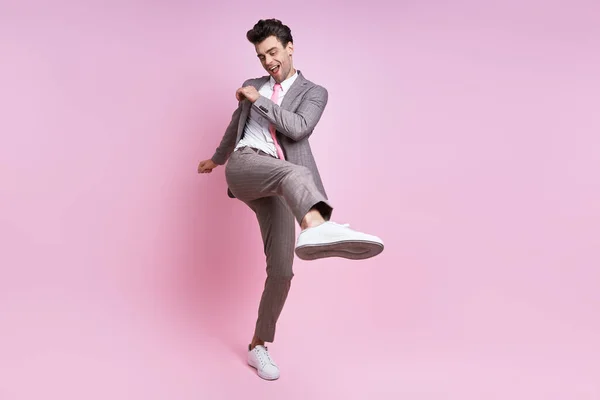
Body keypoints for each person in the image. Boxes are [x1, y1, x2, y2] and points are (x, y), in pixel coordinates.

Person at [197, 18, 384, 380]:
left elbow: (298, 128)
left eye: (272, 52)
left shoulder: (314, 92)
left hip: (281, 182)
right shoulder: (252, 86)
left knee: (282, 271)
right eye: (260, 55)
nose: (267, 62)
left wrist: (260, 100)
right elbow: (235, 126)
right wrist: (217, 159)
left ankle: (257, 346)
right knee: (297, 176)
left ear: (290, 47)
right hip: (246, 164)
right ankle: (319, 225)